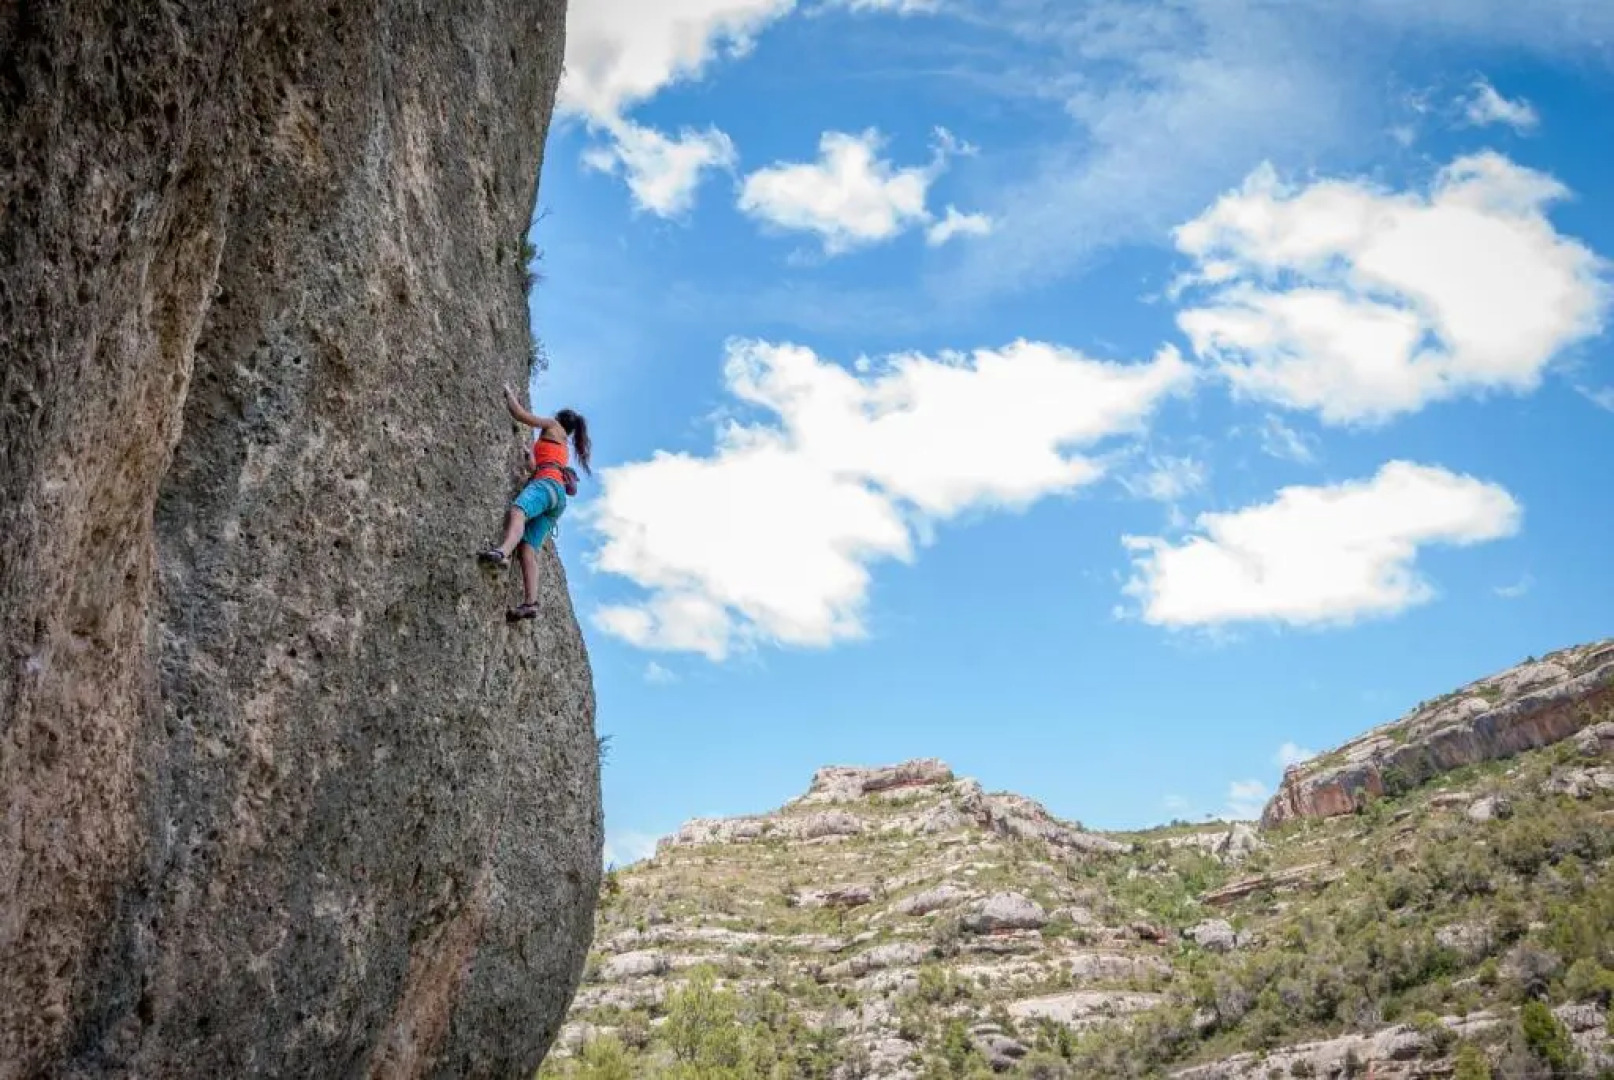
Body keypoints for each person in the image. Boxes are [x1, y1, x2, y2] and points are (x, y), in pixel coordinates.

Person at [478, 385, 591, 621]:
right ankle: (531, 603)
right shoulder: (562, 445)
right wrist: (530, 458)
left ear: (559, 418)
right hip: (556, 497)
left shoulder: (552, 425)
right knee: (528, 549)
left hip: (546, 485)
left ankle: (502, 552)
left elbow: (520, 415)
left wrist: (508, 392)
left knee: (518, 511)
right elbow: (534, 468)